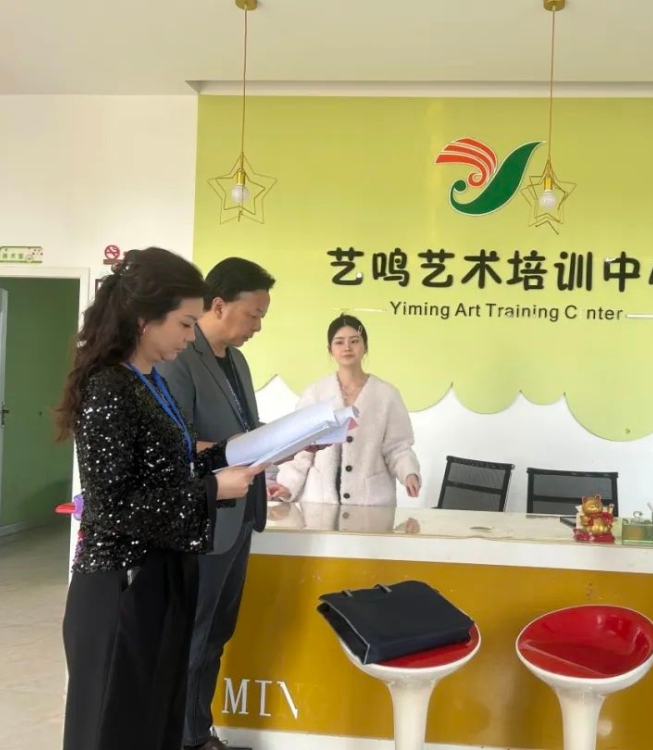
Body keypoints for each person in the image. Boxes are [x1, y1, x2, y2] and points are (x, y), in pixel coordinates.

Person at [54, 248, 265, 750]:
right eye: (185, 324)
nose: (191, 337)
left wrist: (237, 457)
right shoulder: (109, 386)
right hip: (121, 584)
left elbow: (174, 463)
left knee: (154, 720)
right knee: (114, 727)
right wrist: (213, 489)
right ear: (144, 319)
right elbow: (112, 506)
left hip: (160, 574)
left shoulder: (148, 382)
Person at [156, 257, 275, 750]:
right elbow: (175, 445)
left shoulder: (237, 361)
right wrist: (245, 450)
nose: (258, 326)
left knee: (218, 633)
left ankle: (200, 732)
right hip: (202, 518)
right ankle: (182, 737)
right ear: (219, 305)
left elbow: (242, 433)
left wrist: (283, 441)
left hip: (241, 517)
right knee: (194, 635)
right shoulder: (180, 358)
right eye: (254, 314)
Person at [270, 315, 421, 506]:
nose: (347, 347)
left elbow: (397, 447)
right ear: (330, 349)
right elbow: (300, 447)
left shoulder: (387, 394)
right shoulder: (316, 393)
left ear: (365, 346)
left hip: (371, 501)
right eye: (339, 342)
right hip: (320, 501)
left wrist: (409, 473)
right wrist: (287, 484)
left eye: (354, 341)